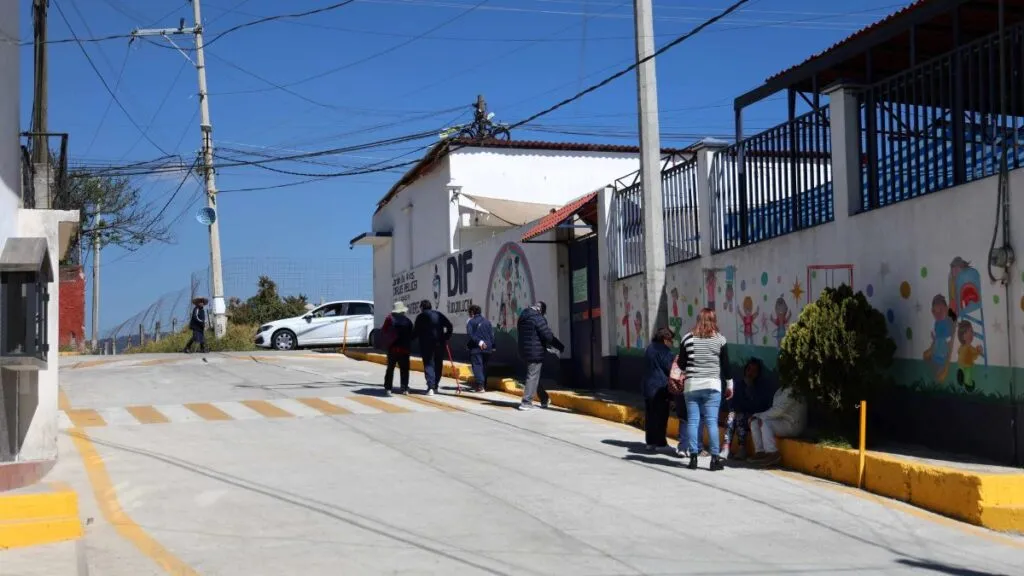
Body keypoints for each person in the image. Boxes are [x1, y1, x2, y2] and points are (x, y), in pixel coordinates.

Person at [677, 308, 732, 472]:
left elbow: (681, 364)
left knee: (693, 421)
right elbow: (726, 366)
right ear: (714, 320)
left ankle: (693, 458)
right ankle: (714, 460)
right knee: (712, 423)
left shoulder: (687, 338)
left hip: (692, 385)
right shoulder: (720, 340)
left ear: (698, 319)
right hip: (712, 386)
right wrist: (730, 385)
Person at [721, 358, 775, 460]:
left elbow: (759, 406)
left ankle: (742, 448)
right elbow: (732, 403)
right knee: (732, 415)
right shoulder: (738, 384)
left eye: (754, 371)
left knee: (740, 415)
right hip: (737, 416)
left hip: (752, 417)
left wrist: (750, 389)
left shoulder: (760, 387)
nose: (750, 373)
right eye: (749, 369)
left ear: (758, 373)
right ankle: (726, 447)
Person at [516, 301, 564, 411]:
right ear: (541, 310)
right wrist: (560, 346)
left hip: (523, 350)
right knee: (532, 376)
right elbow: (547, 335)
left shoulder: (523, 317)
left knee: (533, 376)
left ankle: (544, 398)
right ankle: (526, 402)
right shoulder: (538, 318)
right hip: (534, 351)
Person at [749, 382, 807, 468]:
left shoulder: (793, 389)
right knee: (754, 422)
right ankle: (760, 452)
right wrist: (756, 416)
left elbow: (779, 410)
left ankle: (773, 453)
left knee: (765, 423)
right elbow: (776, 410)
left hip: (793, 424)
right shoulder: (781, 389)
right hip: (782, 420)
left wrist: (759, 416)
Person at [643, 327, 675, 451]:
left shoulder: (649, 348)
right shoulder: (665, 351)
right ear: (665, 339)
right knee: (661, 416)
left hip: (647, 386)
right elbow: (670, 368)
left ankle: (650, 442)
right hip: (660, 387)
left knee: (650, 416)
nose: (672, 342)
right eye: (670, 340)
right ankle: (661, 443)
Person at [413, 299, 453, 396]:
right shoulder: (438, 314)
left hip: (426, 344)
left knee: (429, 364)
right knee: (438, 364)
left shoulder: (421, 316)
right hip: (440, 343)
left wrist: (408, 340)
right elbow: (449, 325)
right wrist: (446, 336)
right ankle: (435, 386)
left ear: (422, 307)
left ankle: (431, 387)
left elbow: (416, 332)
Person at [381, 301, 414, 396]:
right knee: (404, 369)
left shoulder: (389, 319)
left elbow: (384, 332)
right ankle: (404, 388)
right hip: (404, 349)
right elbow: (411, 335)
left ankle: (388, 388)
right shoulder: (408, 321)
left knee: (390, 368)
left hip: (392, 349)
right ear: (402, 311)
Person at [466, 304, 495, 393]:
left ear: (472, 312)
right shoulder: (487, 322)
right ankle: (483, 385)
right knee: (484, 366)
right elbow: (492, 335)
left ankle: (480, 385)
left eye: (469, 313)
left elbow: (471, 335)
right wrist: (493, 346)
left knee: (477, 366)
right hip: (488, 347)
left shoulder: (471, 322)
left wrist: (479, 342)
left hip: (477, 348)